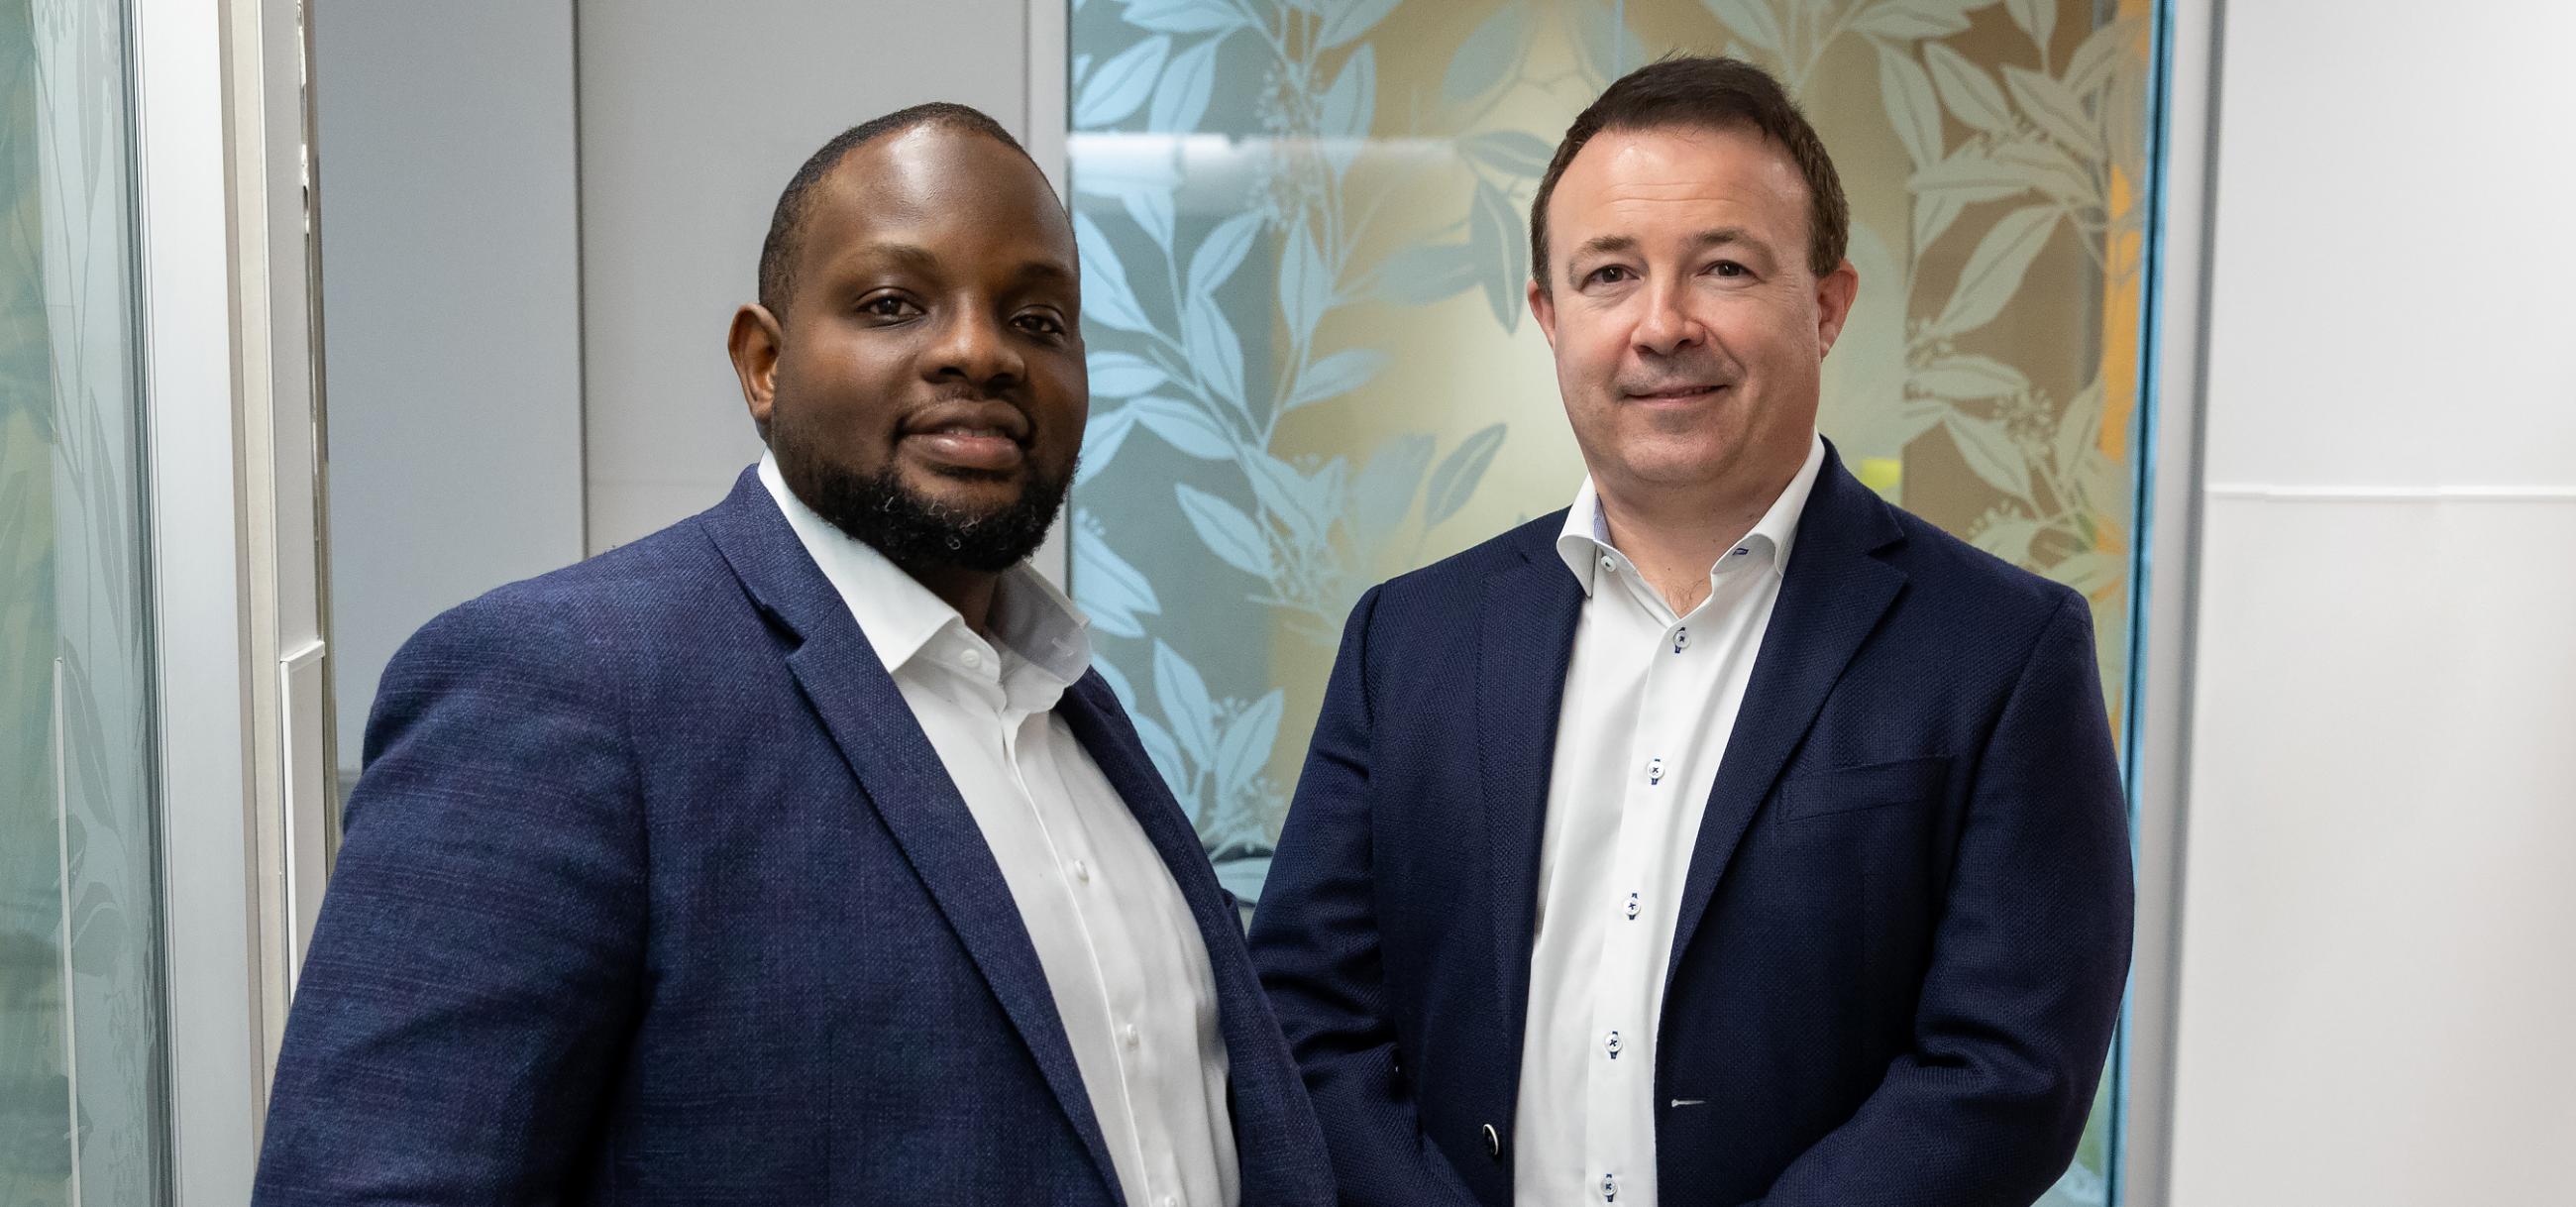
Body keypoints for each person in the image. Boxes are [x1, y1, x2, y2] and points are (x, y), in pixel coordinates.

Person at [254, 102, 1332, 1207]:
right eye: (891, 303)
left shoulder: (1068, 704)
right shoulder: (562, 685)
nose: (980, 350)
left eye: (1038, 319)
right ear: (762, 363)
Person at [1246, 56, 2133, 1207]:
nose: (1661, 325)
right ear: (1547, 316)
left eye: (1722, 268)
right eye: (1608, 274)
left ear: (1824, 307)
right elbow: (1304, 1022)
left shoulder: (2000, 651)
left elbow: (2007, 1071)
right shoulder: (1406, 640)